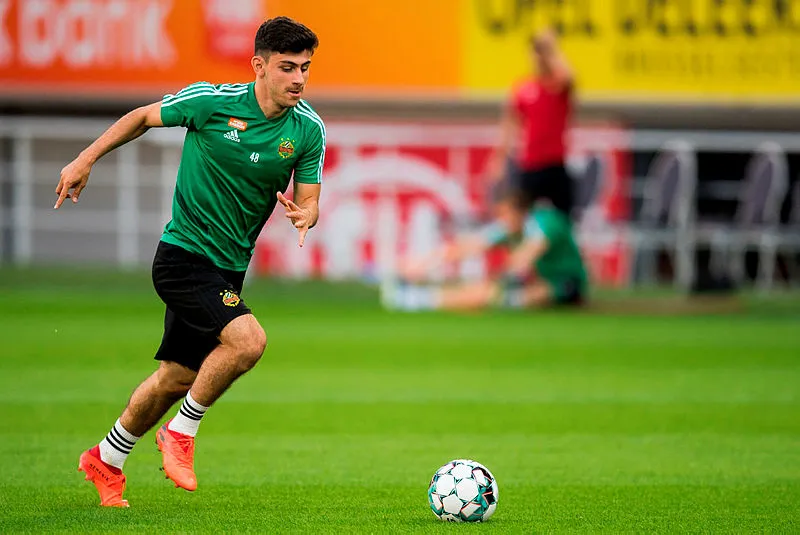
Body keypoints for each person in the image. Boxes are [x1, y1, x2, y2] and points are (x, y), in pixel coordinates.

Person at [54, 17, 325, 507]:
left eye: (305, 67)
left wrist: (306, 214)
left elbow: (309, 200)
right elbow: (141, 117)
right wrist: (84, 159)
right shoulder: (211, 102)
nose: (299, 78)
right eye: (288, 67)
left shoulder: (307, 130)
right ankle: (181, 432)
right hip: (182, 256)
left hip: (229, 268)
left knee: (176, 378)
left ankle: (105, 459)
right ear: (259, 66)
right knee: (248, 342)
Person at [382, 187, 587, 312]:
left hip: (566, 283)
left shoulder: (545, 221)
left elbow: (526, 256)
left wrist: (496, 280)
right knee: (487, 291)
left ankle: (417, 300)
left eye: (504, 214)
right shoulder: (510, 226)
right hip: (538, 280)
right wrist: (423, 264)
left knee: (490, 294)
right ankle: (417, 297)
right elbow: (467, 247)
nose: (501, 220)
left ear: (519, 212)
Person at [486, 28, 575, 216]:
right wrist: (499, 160)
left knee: (564, 219)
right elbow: (508, 127)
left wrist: (551, 49)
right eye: (536, 51)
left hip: (556, 164)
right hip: (530, 164)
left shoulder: (558, 85)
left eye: (542, 52)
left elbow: (569, 77)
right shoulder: (523, 88)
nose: (539, 57)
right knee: (522, 217)